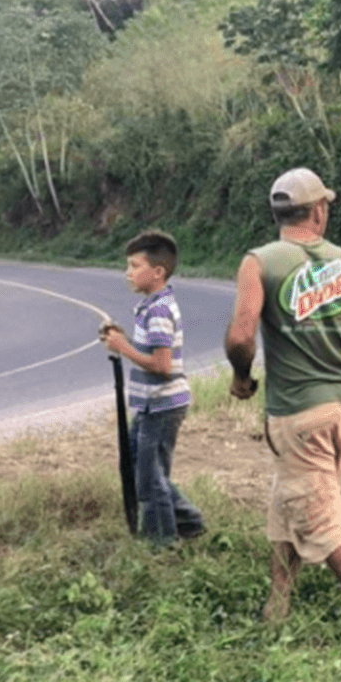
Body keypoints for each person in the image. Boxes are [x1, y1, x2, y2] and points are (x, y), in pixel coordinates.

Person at [224, 167, 341, 656]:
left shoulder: (260, 262)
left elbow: (241, 336)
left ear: (278, 215)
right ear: (319, 210)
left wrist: (242, 377)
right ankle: (278, 605)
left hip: (298, 415)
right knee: (286, 501)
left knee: (319, 518)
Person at [100, 229, 205, 545]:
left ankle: (162, 543)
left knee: (149, 479)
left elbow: (161, 365)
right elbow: (152, 354)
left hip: (162, 404)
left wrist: (122, 347)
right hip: (151, 404)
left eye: (134, 266)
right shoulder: (152, 305)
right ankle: (188, 521)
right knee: (138, 466)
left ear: (157, 272)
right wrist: (125, 340)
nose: (128, 273)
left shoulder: (158, 311)